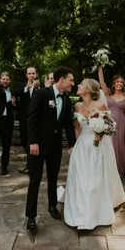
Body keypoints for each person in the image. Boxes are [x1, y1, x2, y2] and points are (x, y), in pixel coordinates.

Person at [64, 78, 125, 230]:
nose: (78, 85)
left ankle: (93, 211)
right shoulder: (77, 105)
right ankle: (79, 210)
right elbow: (77, 127)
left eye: (81, 84)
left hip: (96, 146)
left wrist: (99, 137)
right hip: (81, 147)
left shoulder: (101, 105)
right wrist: (74, 145)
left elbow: (109, 126)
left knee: (94, 179)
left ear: (89, 89)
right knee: (80, 177)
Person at [26, 66, 76, 232]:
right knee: (35, 180)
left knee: (53, 178)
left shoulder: (67, 99)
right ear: (61, 79)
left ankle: (52, 206)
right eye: (71, 80)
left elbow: (68, 124)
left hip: (55, 147)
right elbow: (31, 119)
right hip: (37, 147)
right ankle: (31, 217)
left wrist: (72, 144)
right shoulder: (41, 94)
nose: (73, 83)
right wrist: (33, 142)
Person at [98, 66, 125, 176]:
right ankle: (109, 169)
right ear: (113, 84)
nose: (119, 84)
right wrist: (100, 66)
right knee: (109, 144)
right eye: (117, 82)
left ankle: (118, 169)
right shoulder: (108, 93)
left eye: (121, 82)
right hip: (108, 121)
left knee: (119, 145)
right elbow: (101, 81)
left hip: (121, 122)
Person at [12, 67, 40, 175]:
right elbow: (14, 91)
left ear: (36, 74)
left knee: (33, 142)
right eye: (29, 73)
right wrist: (26, 88)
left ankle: (31, 166)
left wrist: (37, 89)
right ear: (26, 75)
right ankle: (30, 164)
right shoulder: (21, 85)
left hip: (36, 120)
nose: (31, 75)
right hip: (24, 119)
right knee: (24, 141)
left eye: (33, 73)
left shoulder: (39, 86)